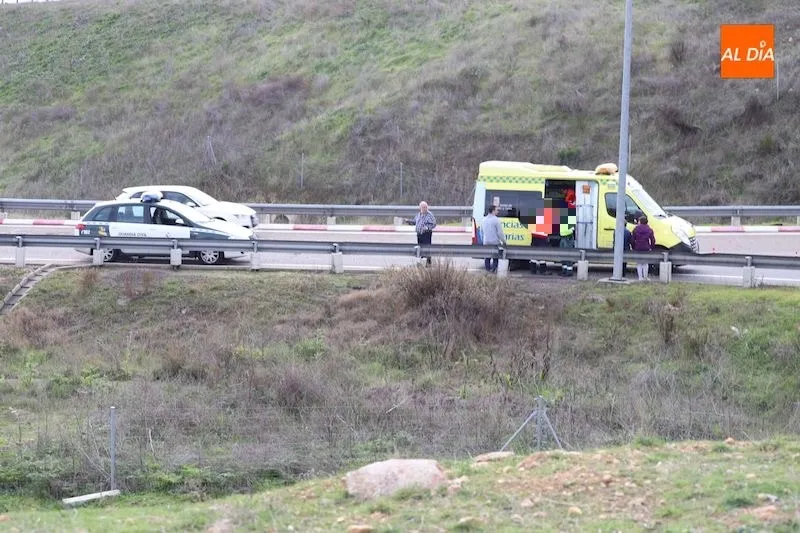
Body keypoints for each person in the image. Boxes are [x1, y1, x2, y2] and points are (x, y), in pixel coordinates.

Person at [404, 201, 437, 266]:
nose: (425, 208)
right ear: (420, 208)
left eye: (426, 207)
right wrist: (408, 221)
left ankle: (428, 264)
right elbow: (414, 222)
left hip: (426, 234)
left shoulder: (429, 215)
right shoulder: (419, 214)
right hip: (419, 234)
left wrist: (427, 227)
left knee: (427, 248)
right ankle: (423, 262)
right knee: (420, 249)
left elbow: (434, 224)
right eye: (423, 207)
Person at [481, 205, 506, 273]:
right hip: (495, 242)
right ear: (493, 211)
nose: (497, 212)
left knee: (487, 257)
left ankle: (487, 270)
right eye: (496, 210)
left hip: (486, 242)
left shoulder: (483, 219)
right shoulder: (496, 220)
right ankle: (494, 270)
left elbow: (481, 231)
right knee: (495, 257)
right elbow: (500, 233)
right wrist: (504, 242)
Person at [631, 214, 656, 280]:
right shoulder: (650, 229)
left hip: (638, 248)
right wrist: (651, 247)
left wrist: (633, 247)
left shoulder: (635, 229)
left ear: (640, 221)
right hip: (646, 248)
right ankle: (645, 277)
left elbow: (632, 240)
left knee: (639, 263)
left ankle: (640, 277)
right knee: (645, 263)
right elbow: (653, 240)